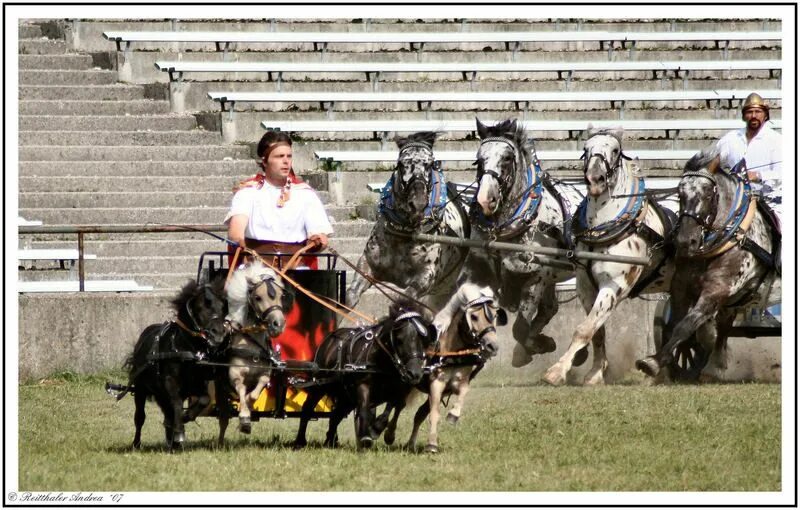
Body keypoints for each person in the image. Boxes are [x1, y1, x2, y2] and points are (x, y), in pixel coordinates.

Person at [225, 131, 333, 269]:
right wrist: (239, 241)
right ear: (264, 161)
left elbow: (319, 234)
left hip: (296, 270)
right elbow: (236, 232)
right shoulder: (247, 193)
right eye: (279, 156)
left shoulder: (305, 194)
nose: (286, 161)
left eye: (289, 156)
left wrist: (318, 240)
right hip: (255, 269)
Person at [716, 92, 782, 222]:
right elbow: (714, 162)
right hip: (734, 201)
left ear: (765, 115)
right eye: (749, 112)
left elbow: (785, 174)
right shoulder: (730, 139)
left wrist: (758, 175)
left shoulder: (777, 140)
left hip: (770, 202)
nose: (753, 116)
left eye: (758, 111)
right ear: (744, 116)